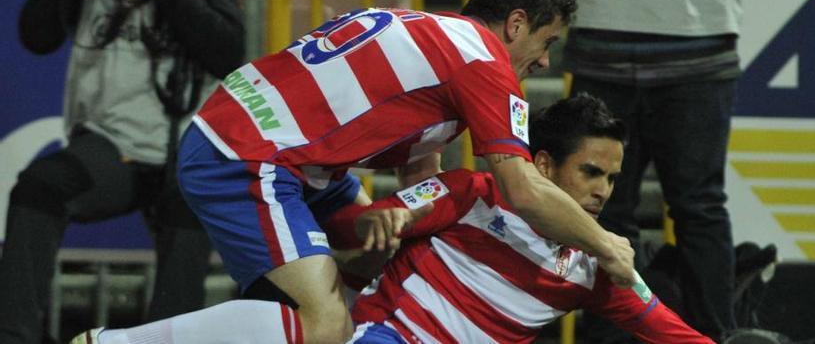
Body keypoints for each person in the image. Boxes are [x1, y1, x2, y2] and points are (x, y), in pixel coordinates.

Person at [89, 0, 634, 344]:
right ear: (516, 24)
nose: (544, 62)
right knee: (323, 325)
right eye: (547, 42)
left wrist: (410, 218)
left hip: (281, 152)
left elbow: (423, 169)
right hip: (250, 155)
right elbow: (522, 188)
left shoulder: (429, 30)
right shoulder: (485, 63)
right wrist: (606, 245)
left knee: (374, 256)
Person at [68, 94, 703, 344]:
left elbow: (667, 330)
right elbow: (367, 222)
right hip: (380, 338)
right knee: (312, 320)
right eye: (591, 172)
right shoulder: (469, 193)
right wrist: (380, 223)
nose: (603, 191)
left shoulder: (599, 267)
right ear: (539, 163)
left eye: (613, 179)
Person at [0, 0, 244, 342]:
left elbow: (228, 54)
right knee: (39, 188)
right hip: (110, 147)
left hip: (186, 148)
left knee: (190, 205)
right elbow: (38, 35)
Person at [527, 0, 747, 342]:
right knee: (601, 210)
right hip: (602, 47)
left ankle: (715, 337)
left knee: (698, 208)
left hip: (696, 49)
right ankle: (611, 336)